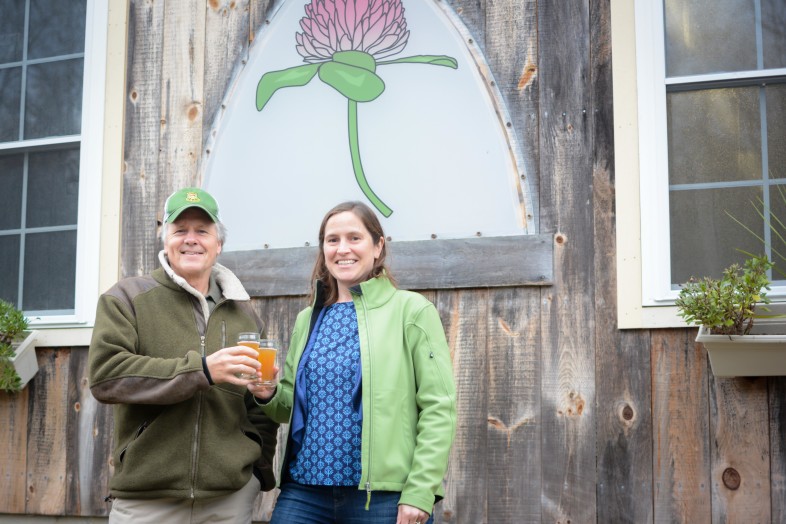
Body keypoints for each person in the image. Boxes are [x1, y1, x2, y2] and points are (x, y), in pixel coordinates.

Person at [251, 201, 457, 524]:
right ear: (323, 250)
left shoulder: (412, 311)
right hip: (305, 491)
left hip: (383, 499)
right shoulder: (308, 319)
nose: (342, 249)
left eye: (354, 238)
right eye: (332, 240)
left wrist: (420, 491)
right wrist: (266, 393)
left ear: (378, 246)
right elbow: (287, 407)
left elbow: (438, 408)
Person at [88, 187, 278, 524]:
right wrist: (202, 371)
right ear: (166, 240)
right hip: (147, 501)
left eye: (202, 231)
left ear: (218, 244)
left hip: (228, 501)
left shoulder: (244, 313)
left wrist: (257, 472)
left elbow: (257, 407)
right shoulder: (127, 298)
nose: (191, 239)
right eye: (180, 230)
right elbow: (107, 376)